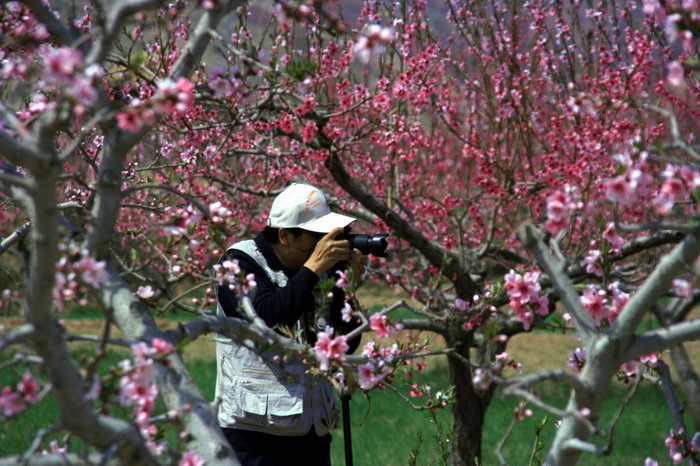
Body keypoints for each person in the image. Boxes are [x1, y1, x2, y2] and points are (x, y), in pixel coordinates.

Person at [215, 183, 365, 466]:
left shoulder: (319, 270)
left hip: (311, 430)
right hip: (253, 435)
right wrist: (312, 270)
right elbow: (267, 319)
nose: (325, 244)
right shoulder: (238, 263)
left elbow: (346, 342)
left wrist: (345, 285)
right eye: (317, 236)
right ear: (284, 235)